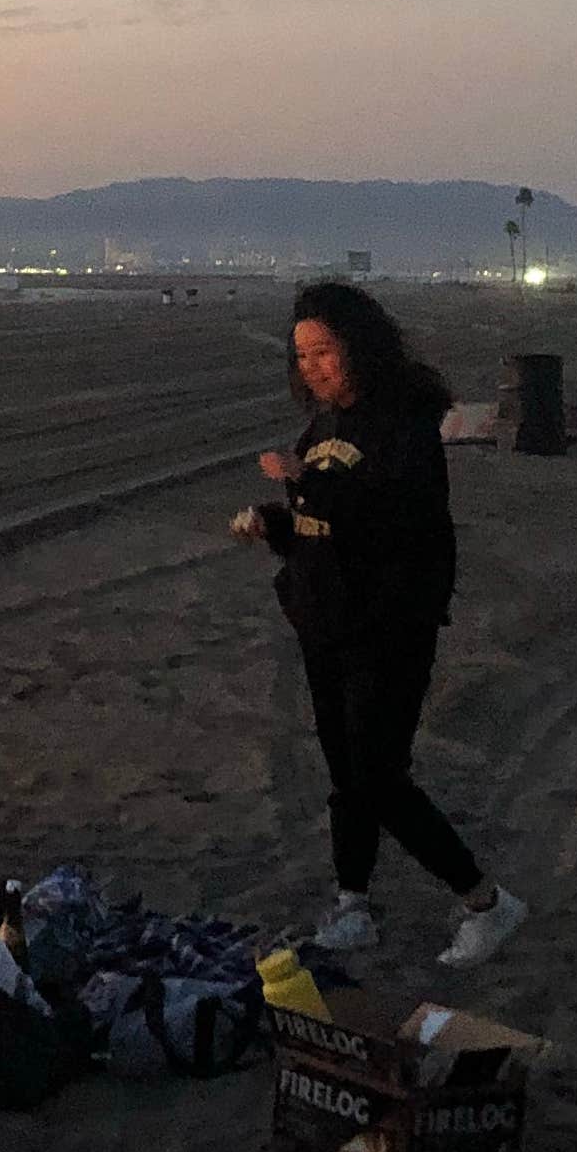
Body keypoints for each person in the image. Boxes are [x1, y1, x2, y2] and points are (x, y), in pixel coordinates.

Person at [230, 278, 527, 972]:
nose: (313, 367)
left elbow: (394, 518)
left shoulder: (403, 423)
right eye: (302, 356)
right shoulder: (324, 425)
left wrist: (305, 481)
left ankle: (485, 901)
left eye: (325, 351)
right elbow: (322, 527)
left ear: (358, 346)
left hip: (387, 623)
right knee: (346, 775)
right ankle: (353, 902)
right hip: (324, 618)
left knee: (379, 775)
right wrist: (273, 522)